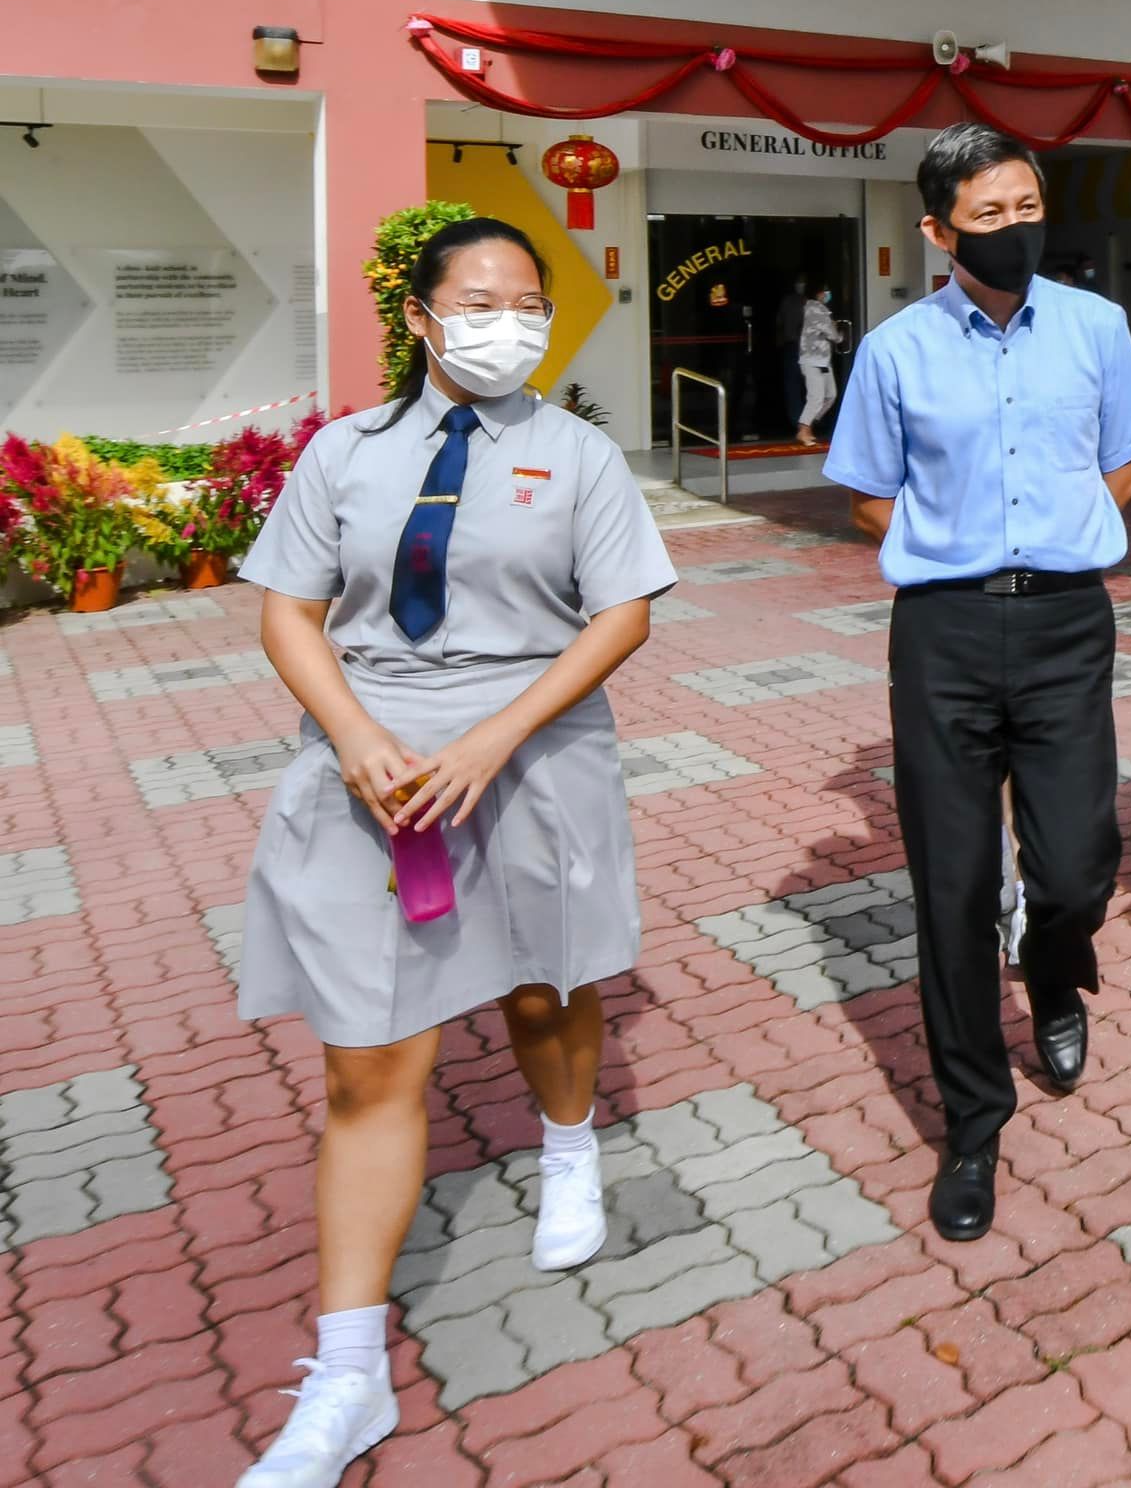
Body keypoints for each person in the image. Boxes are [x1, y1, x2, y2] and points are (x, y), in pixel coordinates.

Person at [233, 217, 676, 1486]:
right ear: (421, 316)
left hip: (529, 752)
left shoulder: (575, 450)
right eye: (481, 300)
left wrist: (494, 736)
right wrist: (355, 733)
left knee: (546, 987)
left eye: (529, 303)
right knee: (369, 1059)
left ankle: (570, 1143)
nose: (510, 323)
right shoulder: (344, 453)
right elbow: (290, 609)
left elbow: (623, 611)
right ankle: (347, 1372)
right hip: (373, 766)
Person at [824, 121, 1131, 1243]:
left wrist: (1066, 528)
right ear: (937, 230)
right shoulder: (895, 349)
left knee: (1075, 861)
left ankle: (1054, 963)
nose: (1016, 229)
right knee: (951, 888)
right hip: (944, 630)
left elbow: (1122, 458)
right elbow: (871, 493)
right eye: (989, 215)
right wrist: (958, 540)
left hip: (1068, 620)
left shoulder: (1097, 326)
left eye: (1028, 208)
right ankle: (973, 1123)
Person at [794, 278, 845, 448]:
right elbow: (832, 334)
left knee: (830, 395)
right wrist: (840, 334)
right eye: (825, 291)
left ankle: (809, 423)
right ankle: (803, 429)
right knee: (816, 397)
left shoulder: (820, 310)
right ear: (818, 293)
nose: (827, 294)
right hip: (812, 360)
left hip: (822, 360)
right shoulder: (815, 309)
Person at [776, 273, 808, 431]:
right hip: (792, 346)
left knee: (810, 386)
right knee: (794, 385)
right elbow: (780, 324)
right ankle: (798, 421)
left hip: (808, 347)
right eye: (798, 282)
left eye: (802, 282)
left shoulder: (809, 302)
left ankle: (807, 421)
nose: (800, 285)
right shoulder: (788, 301)